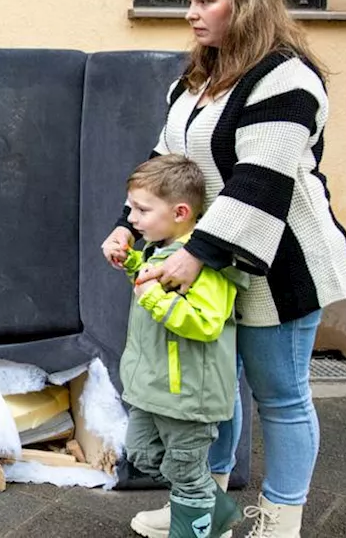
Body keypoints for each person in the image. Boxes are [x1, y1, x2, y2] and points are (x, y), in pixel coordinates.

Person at [102, 0, 346, 538]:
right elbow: (165, 164)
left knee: (281, 397)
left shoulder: (288, 79)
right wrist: (128, 220)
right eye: (188, 0)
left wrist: (195, 254)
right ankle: (205, 510)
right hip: (214, 265)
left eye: (204, 1)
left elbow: (259, 182)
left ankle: (280, 520)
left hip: (279, 267)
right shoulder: (197, 79)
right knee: (213, 394)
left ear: (243, 5)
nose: (190, 13)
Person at [115, 155, 245, 538]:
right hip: (154, 387)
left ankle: (197, 525)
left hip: (188, 394)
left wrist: (152, 294)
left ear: (181, 212)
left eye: (141, 210)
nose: (131, 220)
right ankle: (212, 506)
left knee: (185, 470)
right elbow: (154, 291)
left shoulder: (206, 266)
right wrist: (133, 264)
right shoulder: (161, 250)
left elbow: (205, 324)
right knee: (141, 453)